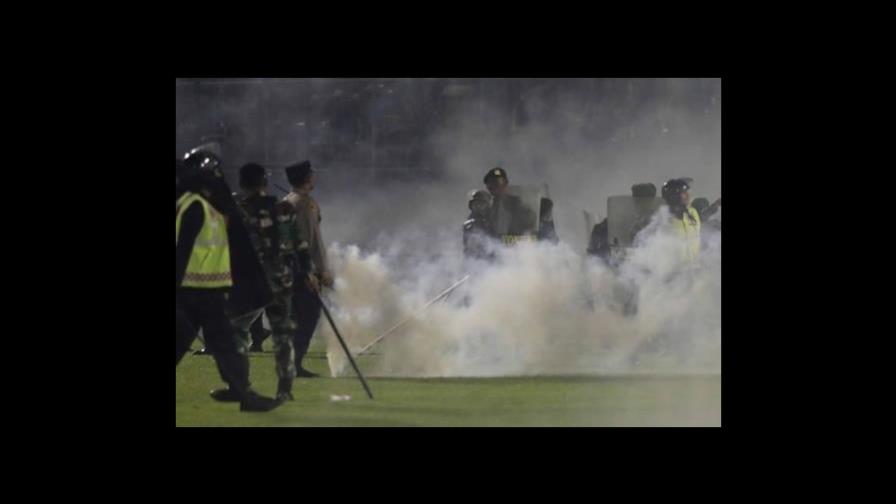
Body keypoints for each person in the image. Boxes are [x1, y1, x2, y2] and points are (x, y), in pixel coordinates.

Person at [175, 148, 281, 412]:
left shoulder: (207, 207)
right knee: (217, 344)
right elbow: (181, 252)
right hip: (191, 292)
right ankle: (244, 393)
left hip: (207, 291)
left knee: (225, 345)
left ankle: (243, 393)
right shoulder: (194, 207)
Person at [285, 160, 332, 379]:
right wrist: (315, 271)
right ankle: (294, 364)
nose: (314, 177)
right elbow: (307, 242)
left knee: (299, 318)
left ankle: (292, 363)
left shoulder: (295, 201)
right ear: (306, 179)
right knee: (307, 318)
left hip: (296, 270)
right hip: (303, 271)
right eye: (311, 174)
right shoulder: (303, 204)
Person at [483, 167, 536, 245]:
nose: (497, 187)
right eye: (492, 184)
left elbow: (531, 237)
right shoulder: (485, 207)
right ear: (489, 188)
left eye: (499, 182)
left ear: (505, 184)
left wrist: (504, 241)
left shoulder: (518, 205)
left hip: (515, 250)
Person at [660, 178, 701, 268]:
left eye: (687, 191)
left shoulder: (692, 212)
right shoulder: (662, 218)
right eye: (683, 192)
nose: (688, 195)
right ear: (674, 196)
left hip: (693, 267)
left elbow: (697, 234)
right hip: (672, 270)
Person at [463, 189, 495, 260]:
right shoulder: (469, 224)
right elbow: (468, 248)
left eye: (481, 204)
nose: (478, 206)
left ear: (487, 205)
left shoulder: (495, 220)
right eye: (475, 204)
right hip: (476, 260)